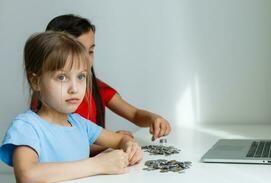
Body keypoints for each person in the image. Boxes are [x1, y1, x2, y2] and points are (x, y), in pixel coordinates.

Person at [0, 31, 143, 183]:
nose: (74, 88)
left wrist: (130, 147)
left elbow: (120, 139)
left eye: (81, 76)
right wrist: (96, 164)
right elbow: (27, 175)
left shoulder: (80, 124)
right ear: (35, 81)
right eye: (62, 77)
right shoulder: (26, 127)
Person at [31, 14, 171, 156]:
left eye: (90, 51)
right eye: (61, 77)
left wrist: (154, 119)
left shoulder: (96, 89)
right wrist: (109, 142)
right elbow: (58, 146)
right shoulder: (45, 103)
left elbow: (134, 114)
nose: (86, 59)